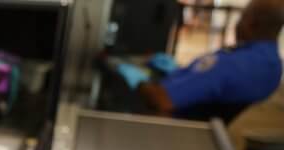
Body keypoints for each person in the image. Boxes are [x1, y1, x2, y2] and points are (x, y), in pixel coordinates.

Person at [120, 0, 284, 122]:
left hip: (178, 130)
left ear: (251, 23)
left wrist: (138, 80)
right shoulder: (274, 65)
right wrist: (181, 71)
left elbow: (161, 100)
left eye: (242, 17)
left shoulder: (228, 65)